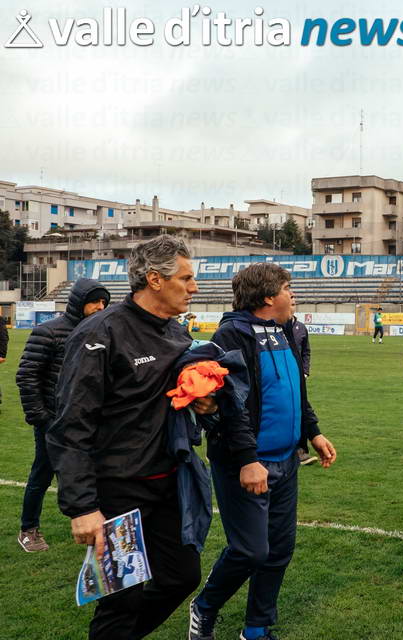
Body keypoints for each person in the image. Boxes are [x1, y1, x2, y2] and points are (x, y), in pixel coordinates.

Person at [47, 236, 209, 639]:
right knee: (121, 599)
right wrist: (82, 506)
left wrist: (205, 403)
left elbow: (174, 400)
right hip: (118, 491)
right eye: (186, 278)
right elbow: (71, 424)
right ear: (155, 279)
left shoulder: (176, 333)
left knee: (181, 578)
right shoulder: (101, 332)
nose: (194, 287)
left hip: (169, 483)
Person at [189, 262, 337, 640]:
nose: (293, 295)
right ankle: (204, 607)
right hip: (247, 465)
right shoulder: (231, 334)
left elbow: (294, 390)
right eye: (288, 288)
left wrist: (313, 432)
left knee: (279, 550)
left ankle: (255, 629)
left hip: (287, 461)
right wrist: (248, 460)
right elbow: (231, 406)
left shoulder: (285, 329)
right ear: (269, 296)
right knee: (251, 550)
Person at [16, 278, 110, 553]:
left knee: (95, 474)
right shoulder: (49, 332)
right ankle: (28, 529)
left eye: (104, 302)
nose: (100, 307)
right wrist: (41, 418)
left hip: (87, 422)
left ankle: (98, 526)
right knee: (42, 474)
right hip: (53, 422)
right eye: (95, 301)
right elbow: (27, 375)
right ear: (79, 302)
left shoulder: (100, 333)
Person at [288, 314, 317, 465]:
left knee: (300, 409)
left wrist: (305, 371)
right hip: (282, 376)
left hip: (298, 377)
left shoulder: (301, 328)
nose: (292, 301)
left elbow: (306, 351)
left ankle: (300, 450)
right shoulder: (275, 328)